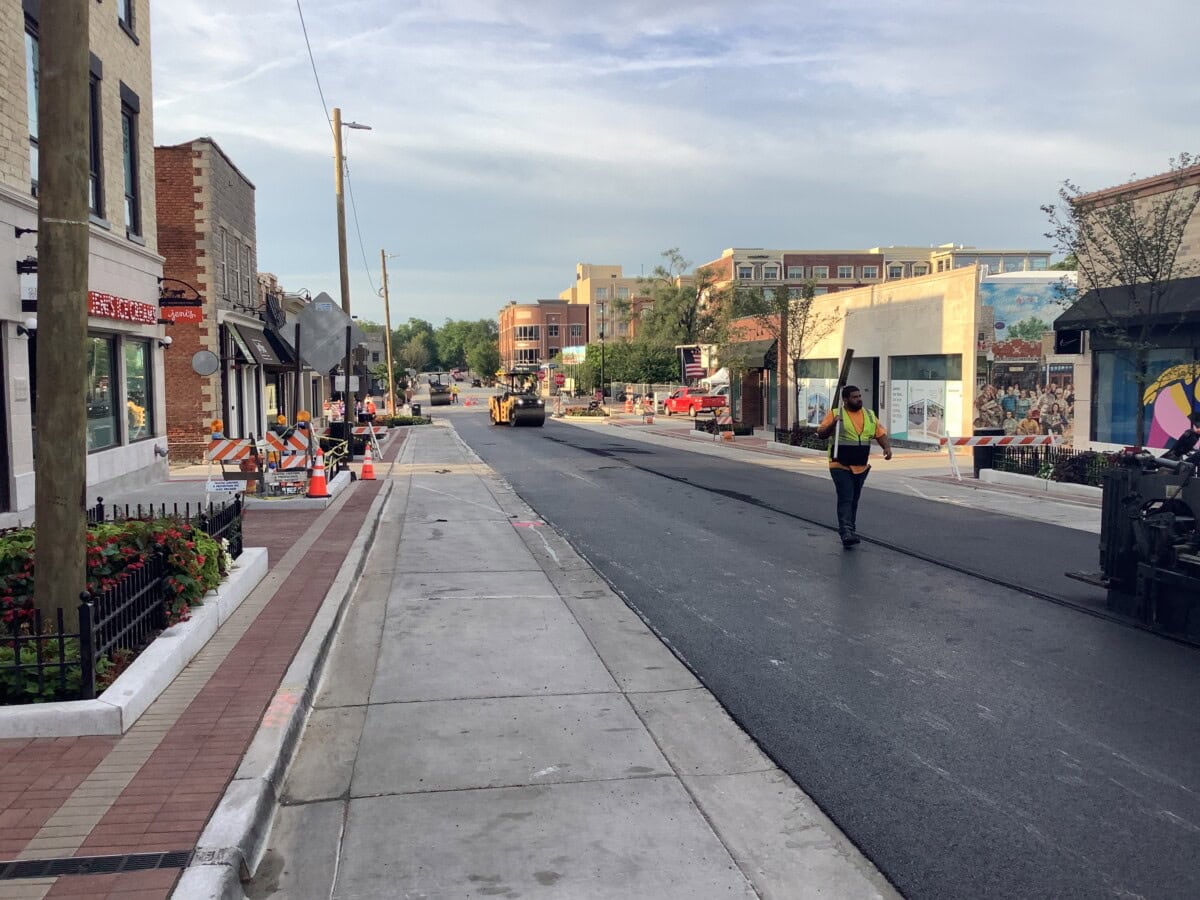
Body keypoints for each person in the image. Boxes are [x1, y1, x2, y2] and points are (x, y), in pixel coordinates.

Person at [816, 385, 893, 547]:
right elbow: (821, 434)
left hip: (860, 465)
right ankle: (845, 531)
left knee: (854, 499)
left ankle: (851, 528)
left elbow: (880, 433)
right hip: (839, 464)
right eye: (854, 397)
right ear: (845, 400)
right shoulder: (835, 414)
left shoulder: (869, 415)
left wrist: (886, 447)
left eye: (859, 396)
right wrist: (833, 424)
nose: (859, 399)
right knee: (846, 496)